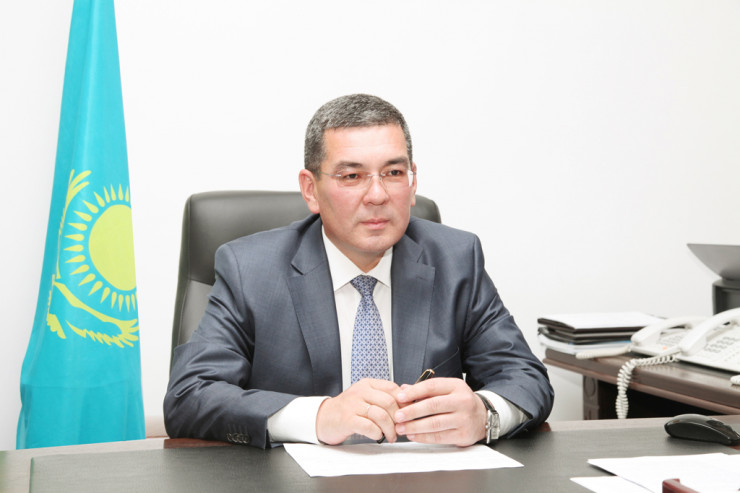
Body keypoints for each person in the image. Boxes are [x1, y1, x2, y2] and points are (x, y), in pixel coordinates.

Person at [164, 94, 553, 449]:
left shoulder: (455, 259)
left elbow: (526, 377)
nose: (377, 195)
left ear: (412, 182)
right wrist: (319, 416)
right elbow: (189, 396)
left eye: (393, 173)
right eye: (352, 176)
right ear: (311, 189)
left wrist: (485, 415)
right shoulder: (251, 270)